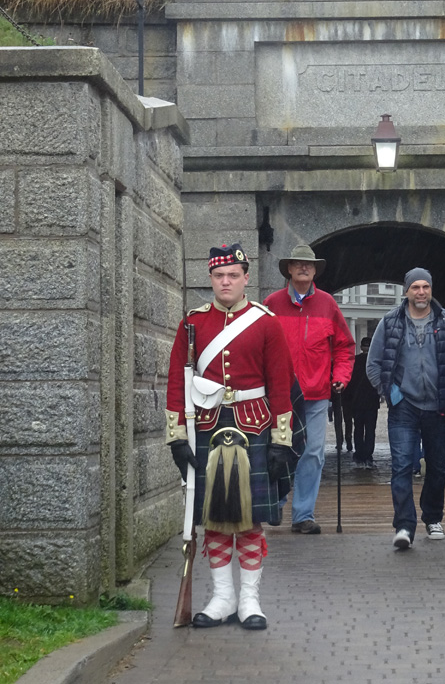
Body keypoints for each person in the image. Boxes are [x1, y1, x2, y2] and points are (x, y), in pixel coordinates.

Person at [166, 243, 297, 630]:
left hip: (253, 425)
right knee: (215, 518)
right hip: (205, 426)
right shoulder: (193, 323)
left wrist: (281, 440)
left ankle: (250, 599)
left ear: (245, 279)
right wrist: (176, 436)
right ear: (211, 279)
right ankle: (222, 596)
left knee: (251, 520)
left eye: (233, 276)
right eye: (219, 276)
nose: (226, 282)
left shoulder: (266, 322)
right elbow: (177, 381)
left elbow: (280, 384)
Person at [366, 267, 445, 549]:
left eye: (425, 287)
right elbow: (374, 364)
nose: (421, 292)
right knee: (402, 466)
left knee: (438, 467)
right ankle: (404, 525)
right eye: (415, 287)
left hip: (438, 405)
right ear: (406, 291)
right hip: (403, 406)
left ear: (431, 290)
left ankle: (432, 518)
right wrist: (392, 394)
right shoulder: (390, 322)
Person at [264, 243, 354, 534]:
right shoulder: (272, 304)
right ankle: (275, 504)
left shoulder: (328, 304)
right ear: (289, 269)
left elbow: (344, 346)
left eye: (309, 264)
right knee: (277, 449)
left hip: (316, 394)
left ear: (315, 270)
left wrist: (340, 376)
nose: (304, 267)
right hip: (278, 395)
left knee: (313, 453)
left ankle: (303, 514)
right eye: (298, 263)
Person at [345, 336, 381, 467]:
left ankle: (359, 453)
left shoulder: (355, 361)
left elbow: (350, 383)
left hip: (356, 401)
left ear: (361, 347)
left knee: (358, 428)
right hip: (371, 401)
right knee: (371, 429)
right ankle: (368, 454)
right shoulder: (375, 362)